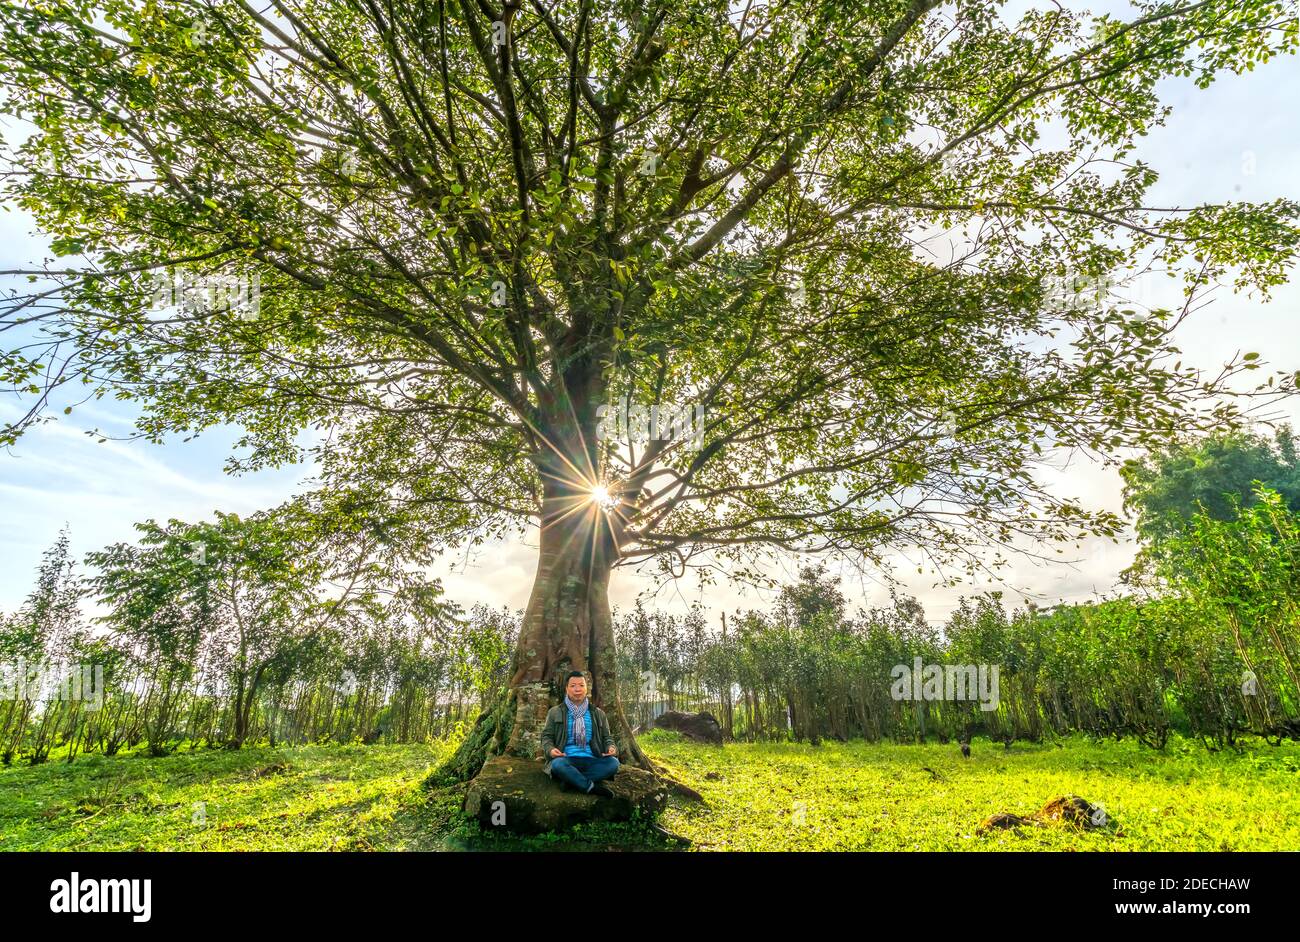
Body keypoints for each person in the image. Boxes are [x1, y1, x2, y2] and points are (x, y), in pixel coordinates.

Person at [540, 671, 620, 797]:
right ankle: (591, 787)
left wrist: (611, 747)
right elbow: (546, 737)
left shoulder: (598, 714)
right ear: (566, 689)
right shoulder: (555, 712)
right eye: (573, 686)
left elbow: (607, 738)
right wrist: (550, 750)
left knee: (613, 763)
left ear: (586, 688)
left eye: (581, 685)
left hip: (593, 759)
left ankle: (572, 781)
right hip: (567, 758)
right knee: (557, 765)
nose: (577, 689)